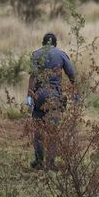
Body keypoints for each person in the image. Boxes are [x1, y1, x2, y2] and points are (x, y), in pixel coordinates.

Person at [27, 32, 76, 170]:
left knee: (38, 130)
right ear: (55, 44)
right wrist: (75, 91)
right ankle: (51, 163)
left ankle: (39, 162)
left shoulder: (36, 54)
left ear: (43, 43)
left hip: (39, 95)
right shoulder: (61, 54)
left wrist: (30, 95)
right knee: (53, 131)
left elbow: (32, 76)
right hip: (54, 96)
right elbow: (71, 74)